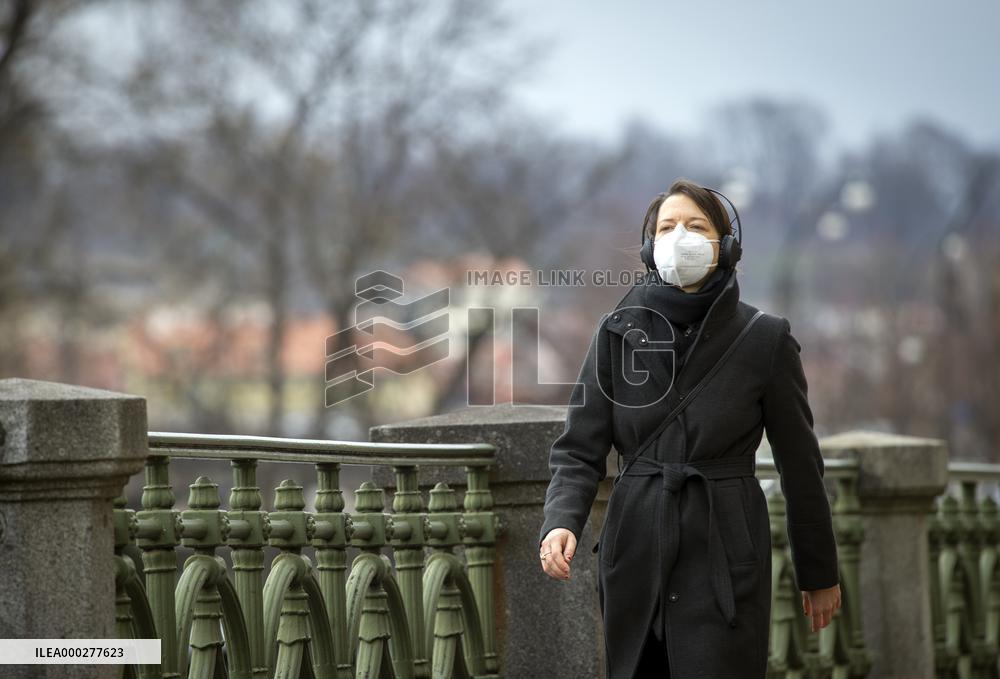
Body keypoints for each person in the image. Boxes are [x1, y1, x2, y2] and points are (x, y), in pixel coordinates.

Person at [537, 179, 842, 678]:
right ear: (649, 246)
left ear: (726, 247)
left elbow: (801, 465)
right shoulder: (617, 330)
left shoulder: (766, 339)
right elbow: (579, 448)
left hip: (725, 548)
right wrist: (560, 521)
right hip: (634, 548)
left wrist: (819, 571)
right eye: (667, 226)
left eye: (696, 226)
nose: (680, 236)